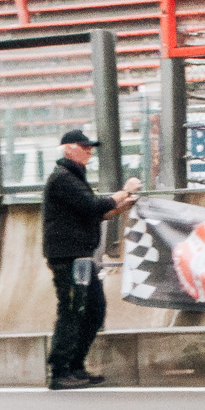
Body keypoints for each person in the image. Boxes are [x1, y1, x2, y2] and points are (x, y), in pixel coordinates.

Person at [43, 128, 138, 391]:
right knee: (73, 310)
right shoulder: (62, 178)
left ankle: (75, 366)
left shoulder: (73, 177)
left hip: (80, 256)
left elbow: (92, 212)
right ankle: (60, 371)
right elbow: (92, 206)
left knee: (93, 311)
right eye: (83, 147)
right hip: (69, 257)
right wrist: (124, 191)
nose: (89, 152)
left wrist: (120, 207)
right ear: (68, 149)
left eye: (89, 148)